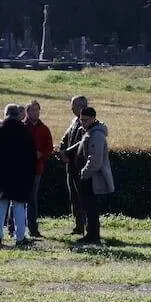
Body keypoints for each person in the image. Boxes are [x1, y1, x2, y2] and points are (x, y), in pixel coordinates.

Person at [0, 104, 36, 248]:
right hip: (20, 176)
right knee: (19, 206)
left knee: (0, 205)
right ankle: (20, 237)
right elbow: (31, 156)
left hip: (1, 175)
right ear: (18, 115)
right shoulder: (25, 131)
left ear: (6, 114)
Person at [74, 106, 113, 246]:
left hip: (91, 178)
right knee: (89, 207)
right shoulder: (90, 131)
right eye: (81, 120)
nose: (82, 123)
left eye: (85, 120)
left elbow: (95, 161)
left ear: (93, 119)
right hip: (89, 176)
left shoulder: (96, 134)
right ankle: (91, 235)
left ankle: (92, 236)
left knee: (91, 208)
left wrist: (84, 173)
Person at [60, 96, 90, 235]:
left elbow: (82, 142)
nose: (71, 108)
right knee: (74, 197)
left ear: (81, 106)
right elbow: (65, 138)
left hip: (81, 165)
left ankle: (87, 227)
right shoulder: (74, 121)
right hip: (71, 165)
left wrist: (67, 152)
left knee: (83, 197)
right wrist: (61, 150)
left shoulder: (88, 121)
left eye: (73, 105)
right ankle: (78, 226)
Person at [24, 100, 53, 239]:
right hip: (21, 169)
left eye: (37, 110)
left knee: (32, 199)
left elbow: (49, 147)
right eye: (32, 110)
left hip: (36, 169)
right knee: (16, 199)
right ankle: (13, 228)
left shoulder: (44, 128)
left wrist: (41, 154)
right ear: (27, 112)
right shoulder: (22, 127)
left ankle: (33, 229)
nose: (35, 112)